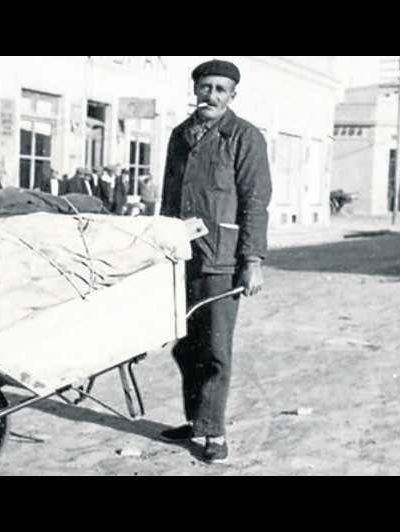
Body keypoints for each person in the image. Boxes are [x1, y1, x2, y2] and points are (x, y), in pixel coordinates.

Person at [158, 59, 272, 463]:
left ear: (232, 96)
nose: (211, 95)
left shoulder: (244, 137)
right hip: (181, 257)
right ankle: (197, 421)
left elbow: (256, 203)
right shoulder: (179, 136)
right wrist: (160, 244)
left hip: (221, 260)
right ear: (195, 91)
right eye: (206, 87)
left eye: (220, 90)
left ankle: (214, 434)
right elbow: (168, 198)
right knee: (185, 347)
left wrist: (252, 260)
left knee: (215, 349)